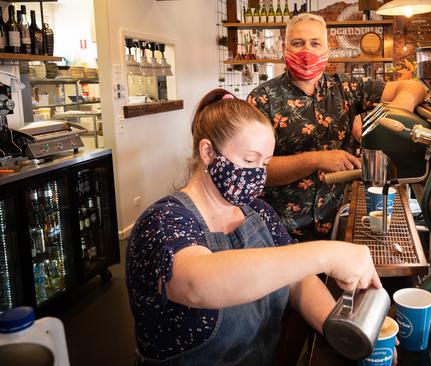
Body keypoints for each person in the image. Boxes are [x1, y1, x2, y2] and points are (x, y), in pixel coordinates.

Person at [125, 89, 381, 365]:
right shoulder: (163, 222)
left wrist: (340, 331)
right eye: (249, 161)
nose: (258, 175)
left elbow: (296, 280)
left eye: (265, 164)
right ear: (209, 152)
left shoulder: (258, 212)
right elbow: (199, 284)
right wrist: (326, 255)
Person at [248, 13, 427, 242]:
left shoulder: (347, 88)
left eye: (315, 43)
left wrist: (387, 119)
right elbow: (255, 172)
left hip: (337, 223)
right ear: (285, 48)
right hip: (278, 228)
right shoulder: (262, 99)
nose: (307, 51)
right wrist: (316, 159)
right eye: (298, 43)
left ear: (327, 50)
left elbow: (414, 87)